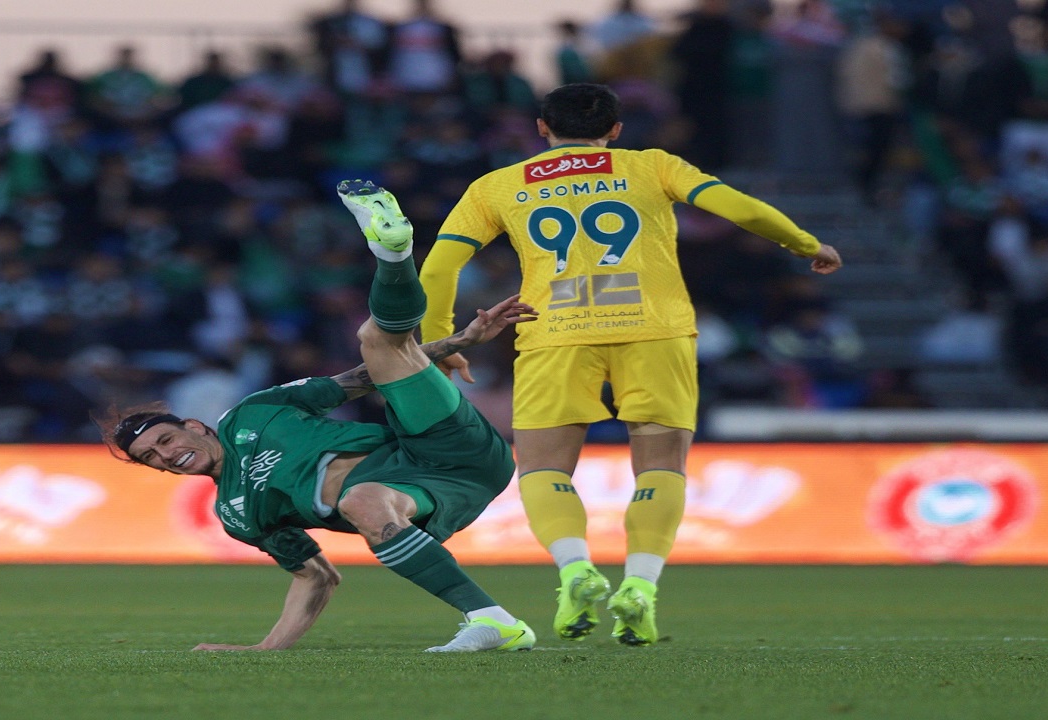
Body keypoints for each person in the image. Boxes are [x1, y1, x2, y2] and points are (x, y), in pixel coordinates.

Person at [418, 83, 842, 646]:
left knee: (544, 468)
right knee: (661, 465)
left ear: (542, 129)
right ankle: (640, 587)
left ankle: (574, 570)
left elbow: (438, 271)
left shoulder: (498, 185)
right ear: (616, 130)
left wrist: (441, 344)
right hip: (655, 329)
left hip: (556, 334)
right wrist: (803, 242)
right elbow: (738, 208)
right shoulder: (651, 166)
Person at [98, 181, 538, 653]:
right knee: (362, 501)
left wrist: (457, 343)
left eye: (164, 441)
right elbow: (316, 577)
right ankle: (495, 620)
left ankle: (394, 251)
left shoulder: (254, 412)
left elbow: (359, 378)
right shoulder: (237, 514)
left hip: (437, 447)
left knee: (373, 337)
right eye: (152, 459)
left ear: (196, 426)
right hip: (416, 497)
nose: (166, 457)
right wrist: (263, 651)